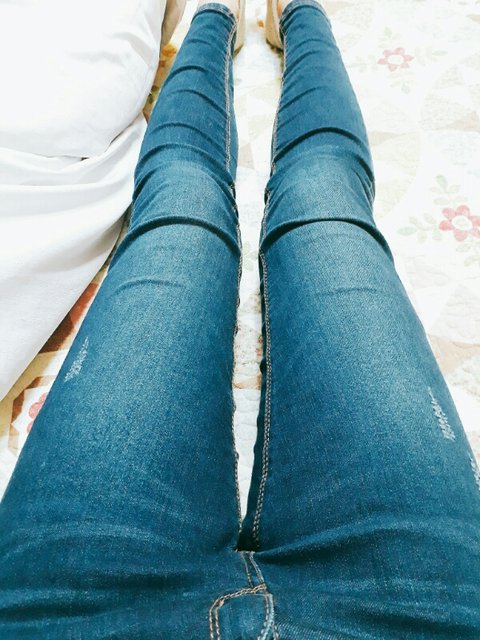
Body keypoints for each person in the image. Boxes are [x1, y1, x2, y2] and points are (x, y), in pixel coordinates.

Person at [1, 0, 479, 637]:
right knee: (324, 197)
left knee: (179, 199)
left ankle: (215, 17)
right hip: (424, 605)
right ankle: (294, 16)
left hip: (74, 606)